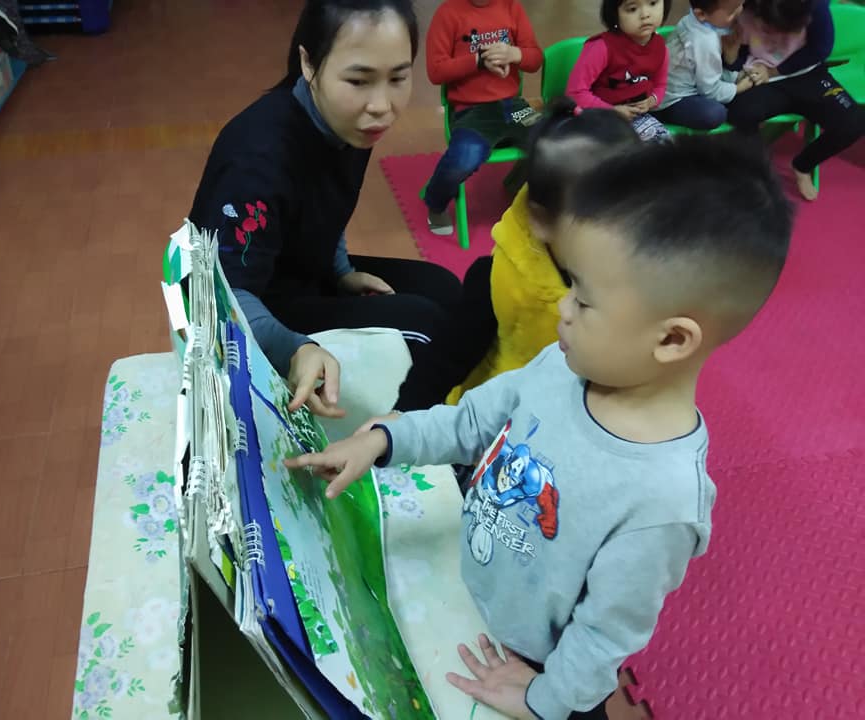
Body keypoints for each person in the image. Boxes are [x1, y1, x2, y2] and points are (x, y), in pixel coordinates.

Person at [287, 134, 793, 719]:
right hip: (475, 599)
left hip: (543, 673)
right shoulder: (560, 364)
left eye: (585, 299)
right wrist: (383, 439)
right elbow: (471, 421)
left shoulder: (662, 501)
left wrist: (541, 701)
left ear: (672, 339)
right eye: (570, 282)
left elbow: (603, 637)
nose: (562, 308)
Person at [189, 0, 462, 417]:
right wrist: (294, 349)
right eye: (359, 80)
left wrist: (341, 271)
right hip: (256, 305)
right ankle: (410, 438)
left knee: (444, 288)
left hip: (305, 276)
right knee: (428, 329)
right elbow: (220, 295)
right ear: (308, 63)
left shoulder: (349, 122)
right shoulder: (258, 158)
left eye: (398, 78)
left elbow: (327, 203)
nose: (382, 105)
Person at [395, 99, 640, 411]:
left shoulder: (635, 279)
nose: (622, 235)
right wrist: (399, 421)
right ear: (541, 220)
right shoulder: (495, 280)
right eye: (597, 221)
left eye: (633, 214)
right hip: (496, 416)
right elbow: (445, 360)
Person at [422, 0, 543, 235]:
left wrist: (514, 53)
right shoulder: (448, 13)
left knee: (550, 141)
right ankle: (435, 203)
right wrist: (478, 60)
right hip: (471, 111)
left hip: (513, 106)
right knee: (464, 158)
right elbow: (436, 71)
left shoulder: (511, 7)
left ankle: (515, 183)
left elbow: (535, 60)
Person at [724, 0, 865, 201]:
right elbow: (735, 49)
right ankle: (756, 166)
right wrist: (737, 66)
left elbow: (820, 49)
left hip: (806, 73)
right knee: (740, 112)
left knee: (853, 123)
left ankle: (803, 165)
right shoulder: (744, 8)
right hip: (760, 72)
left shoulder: (815, 5)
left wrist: (774, 71)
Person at [567, 0, 672, 142]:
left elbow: (660, 85)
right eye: (632, 9)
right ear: (615, 14)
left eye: (653, 3)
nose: (645, 14)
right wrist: (612, 111)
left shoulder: (661, 48)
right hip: (596, 115)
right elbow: (575, 93)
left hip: (635, 117)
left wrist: (651, 101)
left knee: (666, 145)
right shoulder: (601, 47)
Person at [654, 0, 766, 130]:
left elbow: (702, 70)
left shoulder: (693, 18)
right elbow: (709, 90)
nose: (739, 12)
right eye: (731, 12)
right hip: (673, 100)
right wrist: (738, 88)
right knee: (715, 113)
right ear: (701, 14)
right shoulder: (706, 42)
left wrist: (735, 76)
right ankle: (659, 117)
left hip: (675, 84)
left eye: (741, 4)